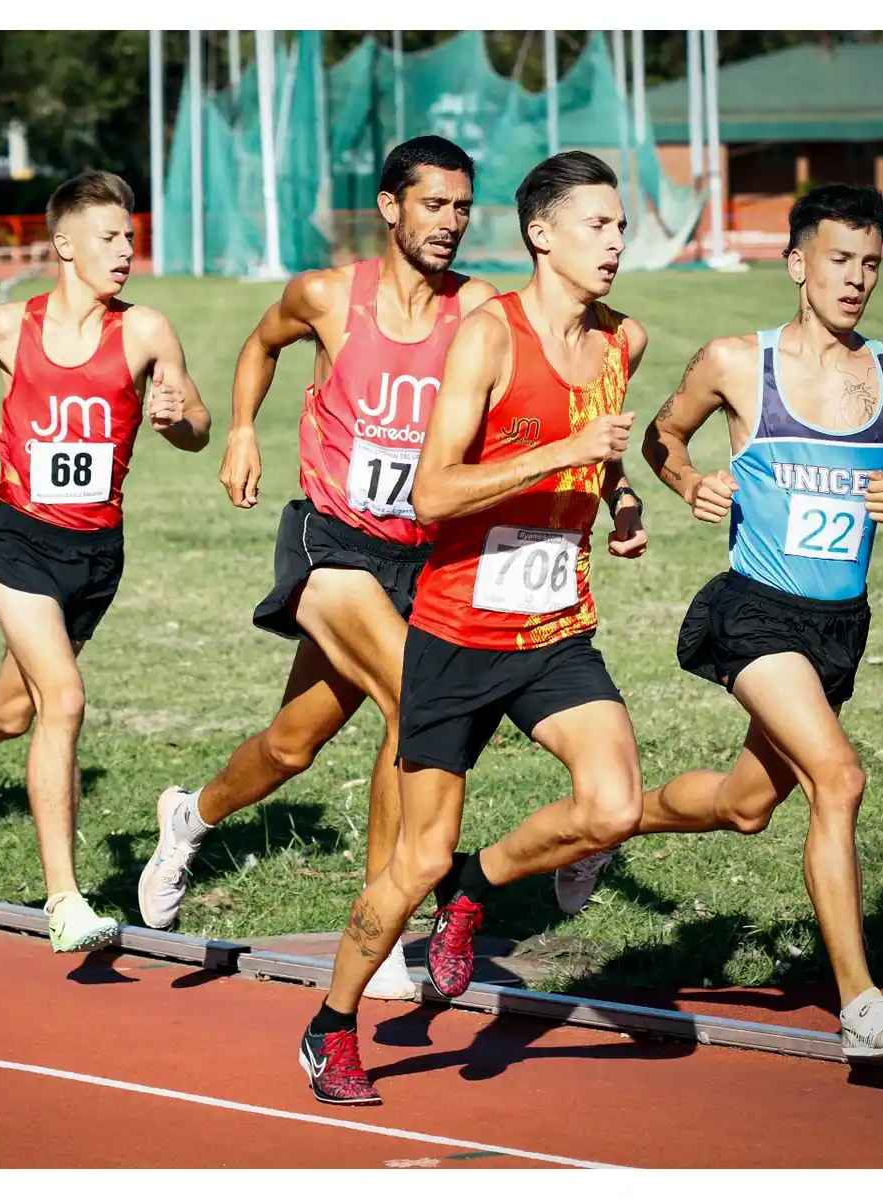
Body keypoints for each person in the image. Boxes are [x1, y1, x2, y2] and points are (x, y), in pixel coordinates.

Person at [297, 150, 650, 1105]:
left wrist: (615, 500)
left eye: (621, 226)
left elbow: (600, 452)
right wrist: (563, 455)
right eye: (599, 225)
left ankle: (478, 886)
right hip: (456, 632)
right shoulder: (489, 337)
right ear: (542, 233)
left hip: (556, 629)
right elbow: (434, 489)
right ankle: (331, 1025)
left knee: (613, 805)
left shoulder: (627, 342)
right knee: (412, 856)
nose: (618, 242)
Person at [135, 136, 497, 1002]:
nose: (448, 223)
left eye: (460, 208)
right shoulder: (327, 297)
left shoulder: (477, 307)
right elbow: (261, 347)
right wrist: (241, 428)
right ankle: (393, 924)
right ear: (389, 207)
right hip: (332, 542)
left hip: (424, 554)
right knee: (419, 699)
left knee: (293, 744)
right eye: (433, 205)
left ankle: (190, 816)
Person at [607, 182, 883, 1060]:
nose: (857, 278)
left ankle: (611, 823)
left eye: (871, 263)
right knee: (837, 779)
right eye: (839, 259)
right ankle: (862, 1006)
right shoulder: (735, 361)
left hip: (839, 627)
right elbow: (662, 436)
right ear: (798, 263)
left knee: (745, 804)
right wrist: (691, 483)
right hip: (753, 611)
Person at [0, 170, 212, 953]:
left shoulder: (147, 331)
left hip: (97, 552)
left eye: (130, 237)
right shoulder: (6, 326)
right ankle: (65, 901)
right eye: (109, 238)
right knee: (62, 698)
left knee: (12, 710)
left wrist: (177, 420)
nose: (125, 251)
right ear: (64, 244)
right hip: (18, 536)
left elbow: (196, 421)